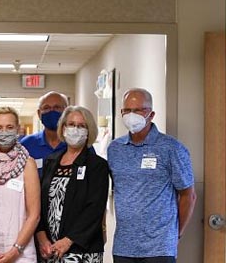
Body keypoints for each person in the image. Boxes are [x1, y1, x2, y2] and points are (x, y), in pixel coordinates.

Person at [107, 88, 196, 263]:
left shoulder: (171, 148)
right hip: (124, 246)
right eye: (127, 110)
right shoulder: (115, 149)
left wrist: (176, 233)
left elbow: (188, 195)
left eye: (138, 110)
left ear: (151, 114)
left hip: (159, 247)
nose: (132, 115)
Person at [36, 106, 109, 263]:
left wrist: (68, 241)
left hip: (81, 250)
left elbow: (95, 209)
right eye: (71, 124)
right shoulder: (51, 161)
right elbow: (41, 202)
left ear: (88, 131)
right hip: (51, 249)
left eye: (81, 126)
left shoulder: (97, 165)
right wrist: (41, 237)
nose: (75, 129)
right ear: (63, 128)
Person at [0, 107, 40, 263]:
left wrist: (14, 252)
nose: (4, 132)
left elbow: (34, 216)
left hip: (20, 253)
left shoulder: (28, 164)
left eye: (9, 127)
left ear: (18, 129)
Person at [20, 91, 69, 176]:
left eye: (57, 107)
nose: (52, 111)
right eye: (46, 108)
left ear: (66, 112)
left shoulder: (77, 144)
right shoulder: (27, 144)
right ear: (39, 114)